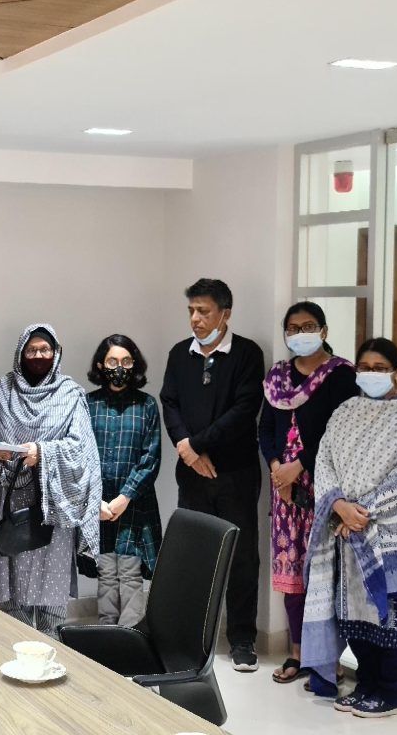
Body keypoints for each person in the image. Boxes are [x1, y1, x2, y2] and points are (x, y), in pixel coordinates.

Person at [302, 338, 397, 718]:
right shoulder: (344, 411)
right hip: (347, 531)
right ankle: (367, 683)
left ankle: (392, 692)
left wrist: (361, 513)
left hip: (394, 532)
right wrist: (339, 506)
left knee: (396, 615)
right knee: (355, 615)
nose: (371, 374)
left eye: (380, 368)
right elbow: (324, 461)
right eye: (365, 367)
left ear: (396, 372)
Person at [160, 278, 265, 671]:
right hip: (191, 473)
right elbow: (169, 402)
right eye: (191, 310)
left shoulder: (247, 354)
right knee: (194, 553)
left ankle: (242, 639)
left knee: (241, 556)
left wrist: (197, 445)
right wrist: (186, 450)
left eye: (203, 311)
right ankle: (193, 635)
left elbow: (244, 410)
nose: (195, 318)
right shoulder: (179, 353)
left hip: (235, 472)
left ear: (225, 314)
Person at [258, 302, 357, 685]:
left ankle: (327, 658)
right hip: (284, 491)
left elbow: (338, 431)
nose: (301, 333)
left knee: (324, 573)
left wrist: (297, 466)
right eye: (294, 328)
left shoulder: (341, 375)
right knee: (292, 576)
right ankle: (298, 653)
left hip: (326, 488)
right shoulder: (277, 378)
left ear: (324, 331)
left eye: (309, 326)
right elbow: (266, 429)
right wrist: (276, 468)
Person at [0, 325, 101, 637]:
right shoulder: (5, 389)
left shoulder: (70, 393)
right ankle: (17, 641)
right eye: (31, 350)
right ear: (20, 354)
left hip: (54, 504)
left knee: (50, 584)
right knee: (13, 580)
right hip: (11, 503)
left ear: (56, 353)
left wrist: (43, 452)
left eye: (44, 350)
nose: (38, 356)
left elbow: (80, 447)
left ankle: (51, 643)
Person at [86, 334, 162, 627]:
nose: (120, 367)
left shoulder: (146, 405)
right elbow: (80, 455)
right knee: (106, 570)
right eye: (112, 361)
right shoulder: (88, 404)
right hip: (99, 502)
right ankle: (107, 635)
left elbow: (150, 458)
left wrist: (124, 496)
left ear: (135, 364)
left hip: (134, 503)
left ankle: (130, 637)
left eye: (126, 361)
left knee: (130, 572)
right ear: (100, 365)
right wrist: (96, 500)